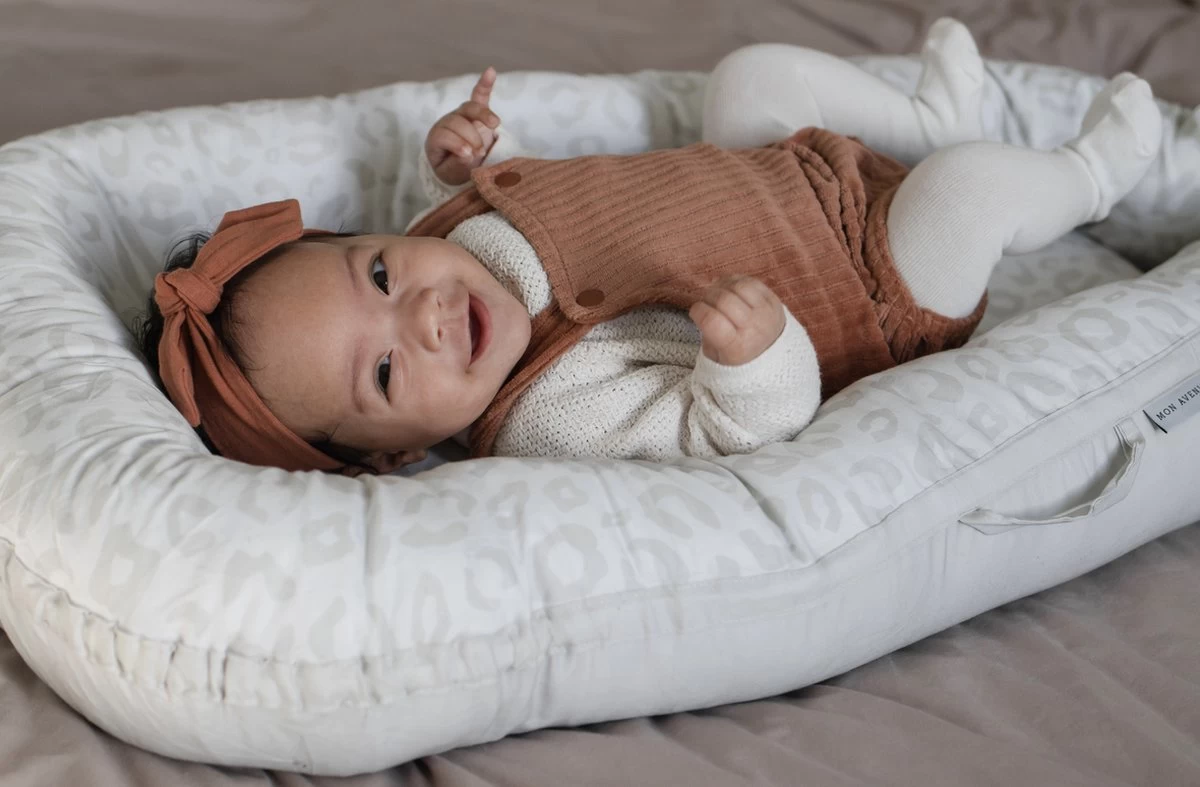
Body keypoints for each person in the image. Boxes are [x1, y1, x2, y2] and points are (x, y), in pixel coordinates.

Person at [135, 18, 1163, 476]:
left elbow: (497, 221)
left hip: (782, 173)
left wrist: (456, 163)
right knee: (967, 193)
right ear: (397, 452)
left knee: (753, 76)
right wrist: (751, 357)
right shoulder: (548, 416)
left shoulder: (449, 246)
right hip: (872, 283)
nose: (429, 314)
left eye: (379, 274)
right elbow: (721, 431)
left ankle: (924, 120)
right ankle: (1091, 180)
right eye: (388, 371)